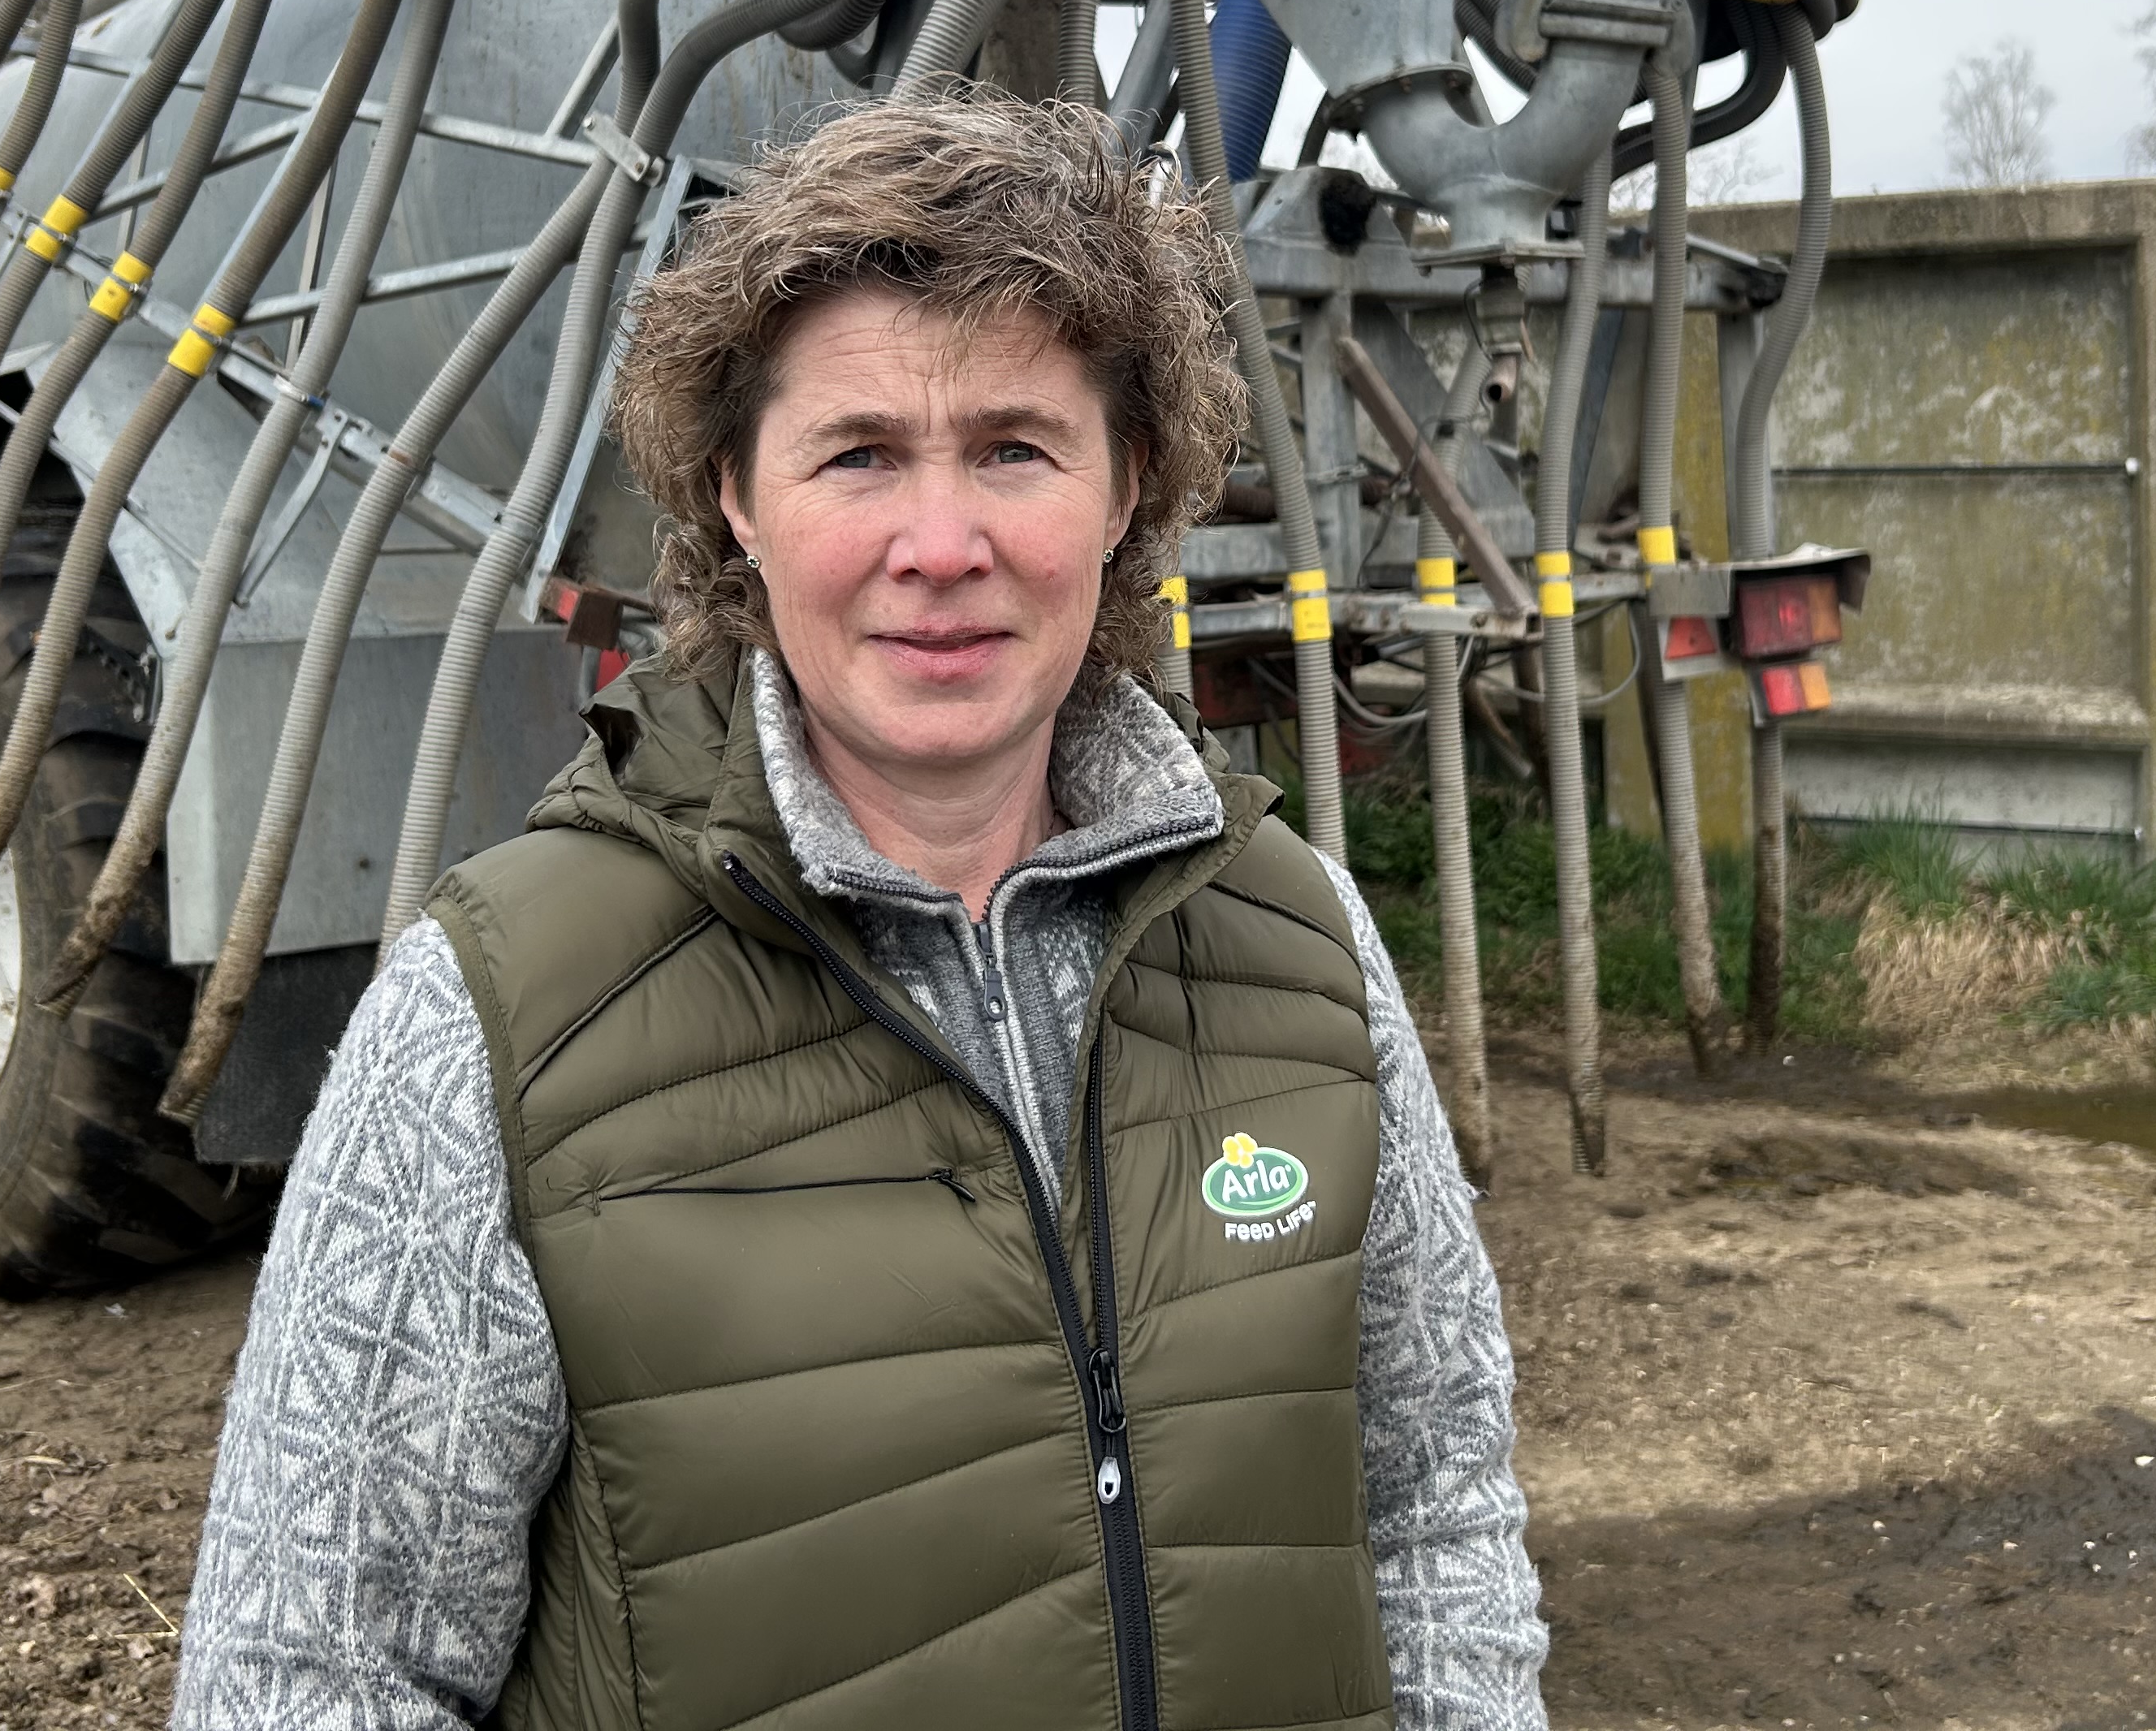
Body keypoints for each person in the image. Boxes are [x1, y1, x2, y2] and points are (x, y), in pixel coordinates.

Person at [173, 93, 1546, 1729]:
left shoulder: (1298, 940)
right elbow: (316, 1676)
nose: (943, 545)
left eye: (1016, 450)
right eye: (860, 454)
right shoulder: (501, 1016)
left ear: (1127, 494)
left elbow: (1435, 1506)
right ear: (736, 499)